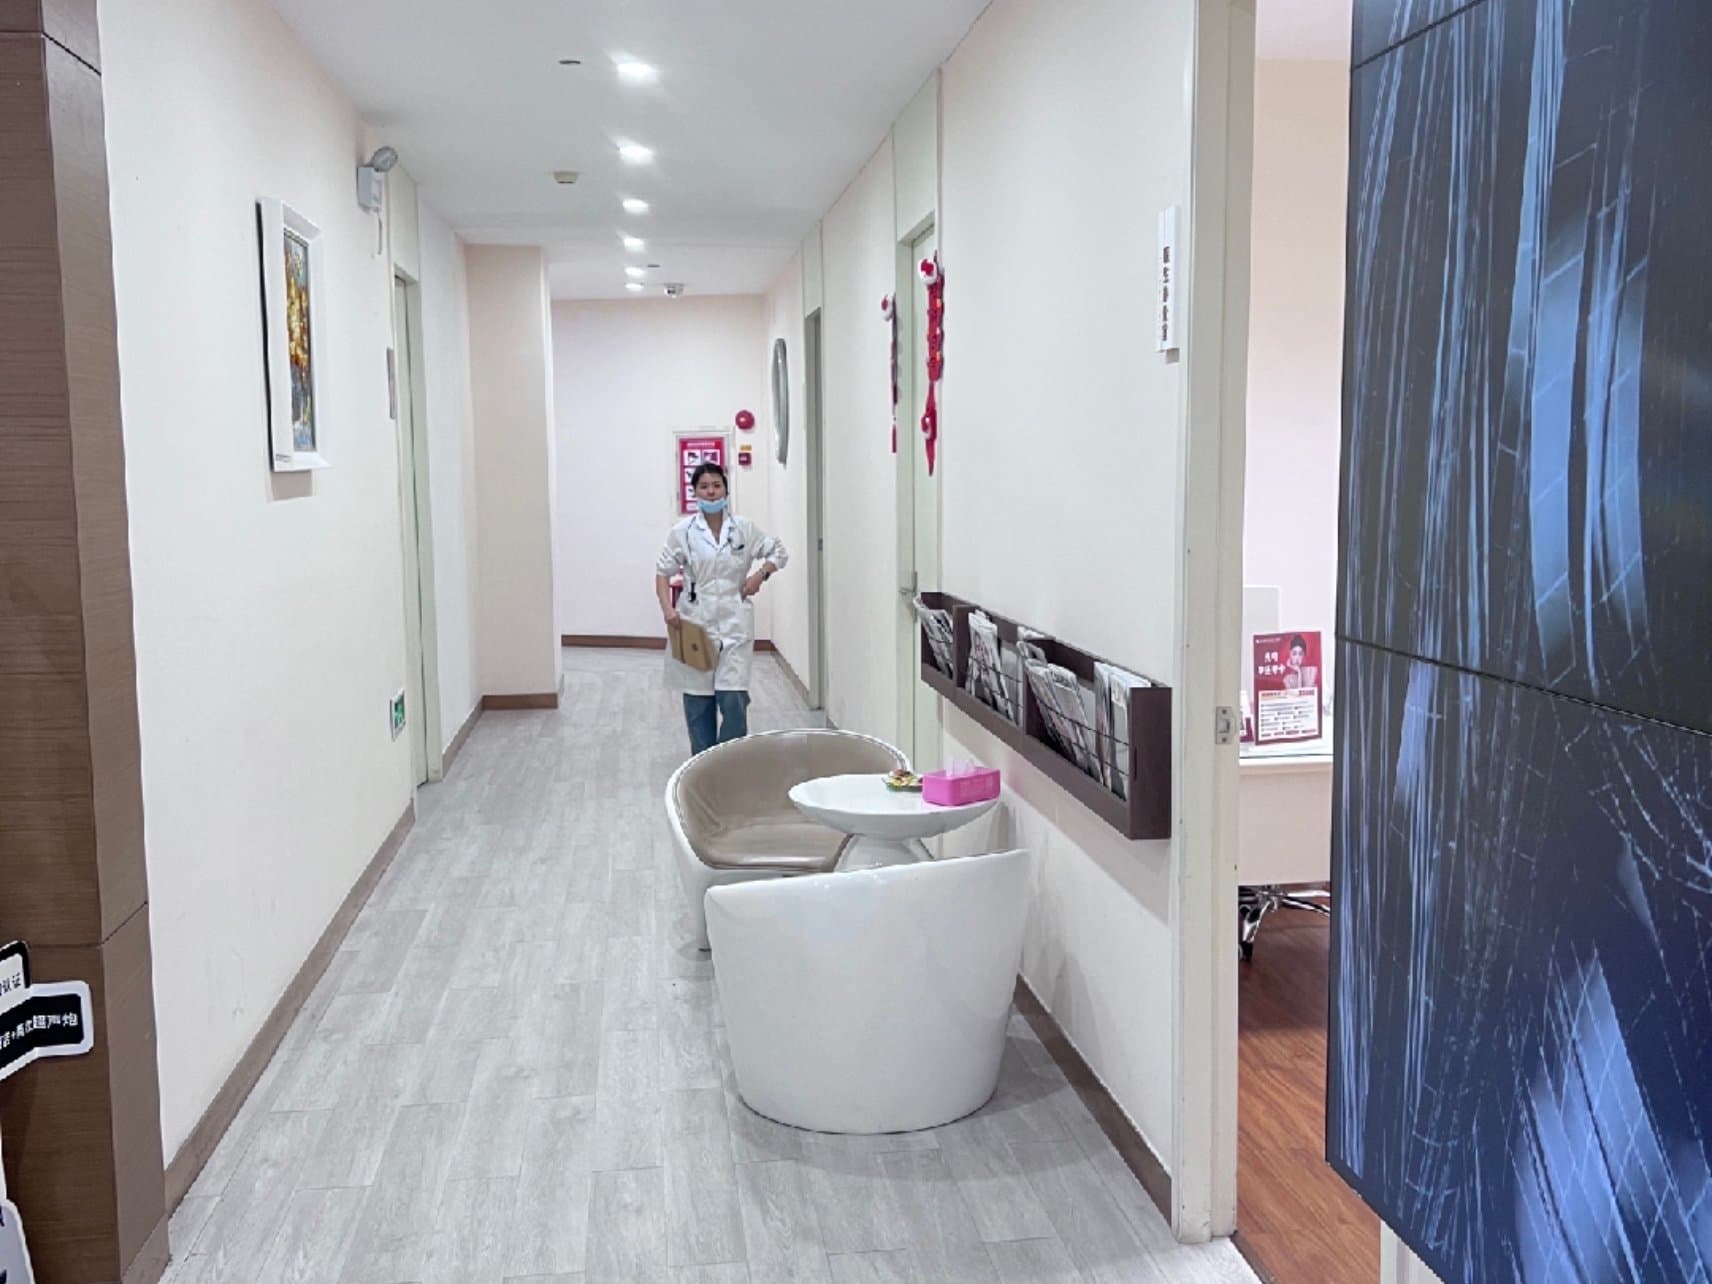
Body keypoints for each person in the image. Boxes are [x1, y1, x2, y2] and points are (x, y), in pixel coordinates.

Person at [655, 462, 788, 755]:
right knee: (698, 701)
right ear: (694, 492)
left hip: (734, 623)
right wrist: (668, 610)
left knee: (734, 698)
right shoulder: (683, 532)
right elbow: (662, 572)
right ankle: (702, 765)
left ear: (726, 490)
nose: (711, 492)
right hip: (693, 623)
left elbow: (779, 552)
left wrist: (759, 575)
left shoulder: (743, 528)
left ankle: (728, 762)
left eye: (717, 485)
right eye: (704, 486)